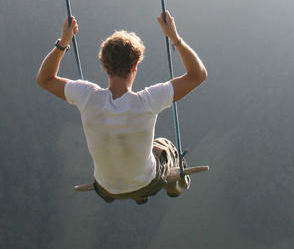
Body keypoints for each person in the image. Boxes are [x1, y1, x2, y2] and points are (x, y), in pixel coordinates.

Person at [36, 11, 207, 203]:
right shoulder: (147, 101)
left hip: (106, 188)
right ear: (135, 66)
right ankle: (175, 187)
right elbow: (197, 75)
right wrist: (175, 38)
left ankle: (130, 191)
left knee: (122, 162)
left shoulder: (86, 96)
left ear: (103, 66)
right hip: (148, 183)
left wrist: (63, 42)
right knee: (165, 147)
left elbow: (45, 79)